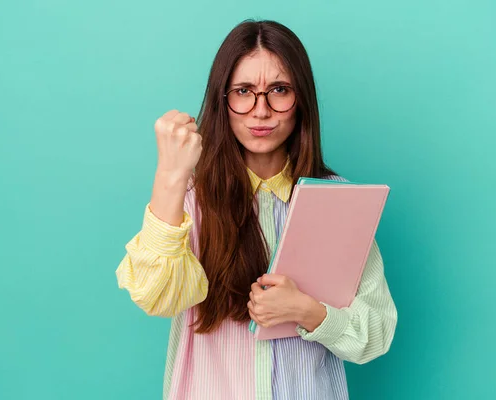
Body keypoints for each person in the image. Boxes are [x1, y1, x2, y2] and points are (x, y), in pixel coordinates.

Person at [116, 19, 397, 400]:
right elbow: (158, 296)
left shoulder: (339, 199)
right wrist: (170, 174)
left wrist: (307, 310)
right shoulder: (190, 199)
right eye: (243, 91)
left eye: (278, 90)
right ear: (223, 100)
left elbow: (376, 332)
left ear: (301, 100)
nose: (260, 110)